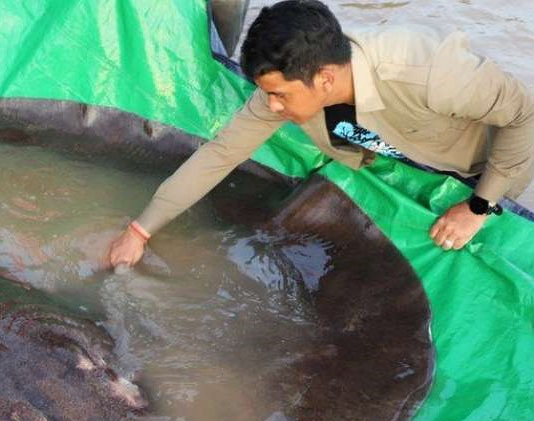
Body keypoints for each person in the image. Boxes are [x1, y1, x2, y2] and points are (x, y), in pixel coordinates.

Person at [108, 0, 534, 267]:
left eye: (278, 95)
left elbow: (524, 117)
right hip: (403, 154)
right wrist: (141, 230)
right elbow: (221, 153)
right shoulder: (289, 84)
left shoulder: (428, 72)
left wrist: (479, 206)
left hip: (484, 165)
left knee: (482, 250)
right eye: (265, 93)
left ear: (325, 79)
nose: (270, 107)